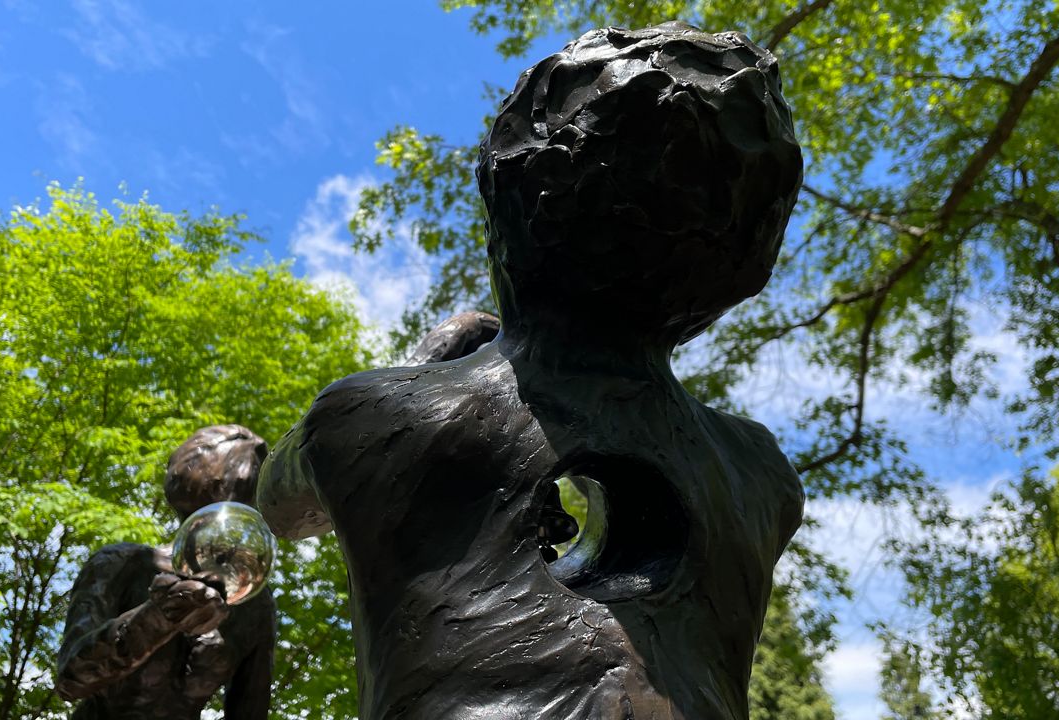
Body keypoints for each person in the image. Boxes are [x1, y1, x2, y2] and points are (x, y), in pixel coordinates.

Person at [255, 22, 805, 720]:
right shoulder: (760, 477)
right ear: (750, 259)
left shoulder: (381, 418)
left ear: (509, 193)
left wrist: (424, 368)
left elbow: (278, 509)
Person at [56, 425, 276, 720]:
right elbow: (70, 680)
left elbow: (251, 711)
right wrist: (159, 616)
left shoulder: (253, 603)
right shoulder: (124, 564)